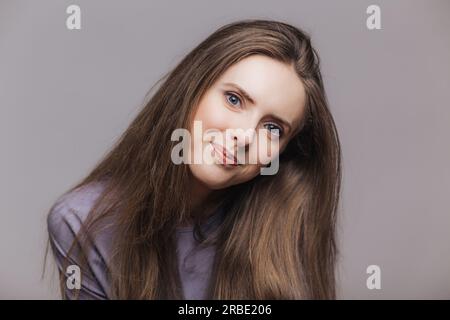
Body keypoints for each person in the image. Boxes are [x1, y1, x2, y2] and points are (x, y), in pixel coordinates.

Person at [46, 19, 342, 300]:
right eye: (234, 99)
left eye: (273, 128)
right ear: (192, 88)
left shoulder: (285, 231)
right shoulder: (83, 221)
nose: (244, 136)